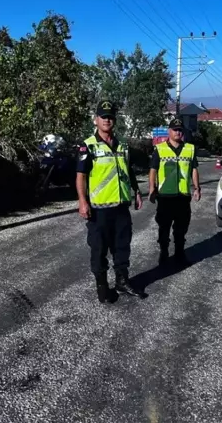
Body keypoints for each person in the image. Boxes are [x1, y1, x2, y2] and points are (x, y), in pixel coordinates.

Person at [76, 100, 144, 303]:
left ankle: (122, 282)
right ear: (96, 119)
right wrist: (82, 201)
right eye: (103, 116)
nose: (107, 119)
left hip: (121, 207)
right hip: (99, 209)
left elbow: (127, 170)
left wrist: (137, 191)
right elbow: (81, 175)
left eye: (111, 116)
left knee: (122, 247)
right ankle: (102, 286)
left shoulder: (122, 144)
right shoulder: (88, 146)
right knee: (99, 249)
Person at [148, 117, 201, 264]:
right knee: (164, 227)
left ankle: (179, 252)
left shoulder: (190, 149)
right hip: (165, 196)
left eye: (180, 130)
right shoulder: (159, 149)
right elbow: (153, 170)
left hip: (183, 196)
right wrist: (152, 188)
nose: (178, 132)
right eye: (175, 130)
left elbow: (194, 169)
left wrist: (197, 187)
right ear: (169, 131)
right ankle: (164, 252)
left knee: (181, 227)